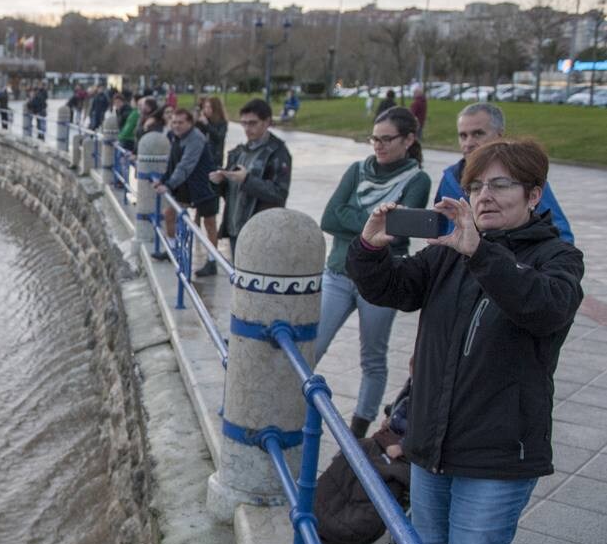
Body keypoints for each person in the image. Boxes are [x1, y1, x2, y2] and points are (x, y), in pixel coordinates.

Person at [349, 138, 584, 544]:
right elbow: (391, 287)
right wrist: (373, 242)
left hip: (498, 454)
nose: (485, 196)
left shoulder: (559, 259)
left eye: (502, 186)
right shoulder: (450, 254)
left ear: (534, 196)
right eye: (478, 185)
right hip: (433, 442)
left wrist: (479, 252)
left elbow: (540, 308)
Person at [316, 106, 431, 438]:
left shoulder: (417, 179)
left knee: (373, 357)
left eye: (386, 139)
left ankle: (357, 431)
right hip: (338, 272)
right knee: (313, 343)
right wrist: (372, 224)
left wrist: (357, 218)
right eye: (374, 139)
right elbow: (329, 218)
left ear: (408, 140)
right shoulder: (357, 170)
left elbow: (397, 231)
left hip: (383, 279)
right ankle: (288, 409)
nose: (378, 146)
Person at [435, 103, 574, 244]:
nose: (468, 143)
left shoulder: (523, 176)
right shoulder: (449, 177)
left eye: (477, 134)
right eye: (463, 136)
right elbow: (439, 231)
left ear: (499, 135)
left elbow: (561, 235)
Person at [210, 98, 292, 259]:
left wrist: (247, 180)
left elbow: (279, 193)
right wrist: (220, 181)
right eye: (244, 123)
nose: (247, 128)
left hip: (261, 232)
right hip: (235, 228)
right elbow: (229, 193)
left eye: (252, 123)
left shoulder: (278, 153)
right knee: (238, 278)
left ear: (267, 122)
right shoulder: (239, 152)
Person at [155, 108, 218, 274]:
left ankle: (212, 261)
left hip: (204, 185)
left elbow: (186, 165)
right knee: (169, 214)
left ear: (190, 123)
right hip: (185, 186)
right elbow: (173, 162)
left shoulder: (196, 138)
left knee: (209, 223)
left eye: (180, 122)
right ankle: (172, 249)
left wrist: (168, 185)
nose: (176, 125)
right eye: (174, 122)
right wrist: (164, 179)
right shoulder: (176, 137)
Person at [196, 96, 228, 171]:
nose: (206, 110)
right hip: (202, 158)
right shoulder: (203, 121)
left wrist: (207, 124)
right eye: (205, 107)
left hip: (215, 159)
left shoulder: (222, 123)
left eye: (209, 107)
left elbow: (219, 137)